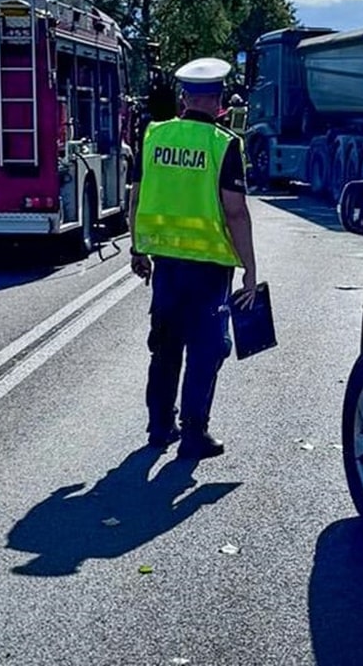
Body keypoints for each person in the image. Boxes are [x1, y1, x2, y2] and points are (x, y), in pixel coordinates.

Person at [125, 58, 260, 459]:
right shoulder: (224, 144)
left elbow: (134, 198)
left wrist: (137, 248)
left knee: (165, 347)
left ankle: (159, 426)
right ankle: (194, 433)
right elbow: (234, 211)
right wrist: (249, 269)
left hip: (166, 265)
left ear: (184, 99)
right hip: (209, 269)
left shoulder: (153, 136)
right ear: (220, 103)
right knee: (205, 350)